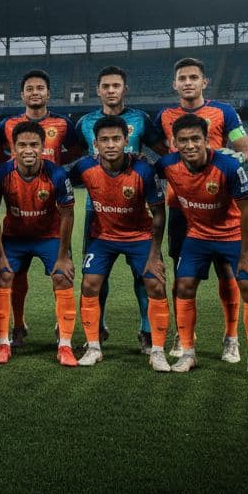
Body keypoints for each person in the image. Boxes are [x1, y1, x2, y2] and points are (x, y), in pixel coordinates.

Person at [154, 114, 248, 382]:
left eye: (196, 139)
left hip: (234, 235)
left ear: (207, 140)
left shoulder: (228, 166)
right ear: (174, 143)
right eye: (183, 140)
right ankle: (188, 353)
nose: (190, 145)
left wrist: (245, 254)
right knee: (183, 286)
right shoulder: (167, 165)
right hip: (198, 235)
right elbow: (144, 172)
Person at [156, 57, 248, 363]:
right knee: (182, 275)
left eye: (193, 77)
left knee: (227, 271)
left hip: (219, 206)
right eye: (182, 78)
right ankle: (183, 334)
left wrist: (231, 158)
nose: (188, 82)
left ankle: (231, 337)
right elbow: (163, 154)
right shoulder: (164, 116)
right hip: (180, 206)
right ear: (174, 84)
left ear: (204, 82)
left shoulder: (223, 111)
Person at [76, 65, 168, 353]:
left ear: (125, 89)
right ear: (98, 90)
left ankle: (147, 330)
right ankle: (98, 328)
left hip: (134, 209)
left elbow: (164, 152)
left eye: (116, 85)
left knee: (144, 275)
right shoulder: (85, 122)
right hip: (97, 210)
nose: (111, 90)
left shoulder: (140, 119)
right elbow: (70, 154)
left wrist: (150, 166)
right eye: (106, 86)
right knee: (95, 276)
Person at [0, 121, 77, 366]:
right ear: (13, 148)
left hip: (49, 236)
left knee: (62, 276)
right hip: (15, 237)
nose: (28, 150)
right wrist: (0, 253)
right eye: (22, 145)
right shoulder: (0, 174)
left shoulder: (57, 174)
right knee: (4, 275)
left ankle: (65, 345)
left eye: (34, 145)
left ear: (43, 147)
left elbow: (67, 215)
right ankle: (5, 340)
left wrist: (63, 257)